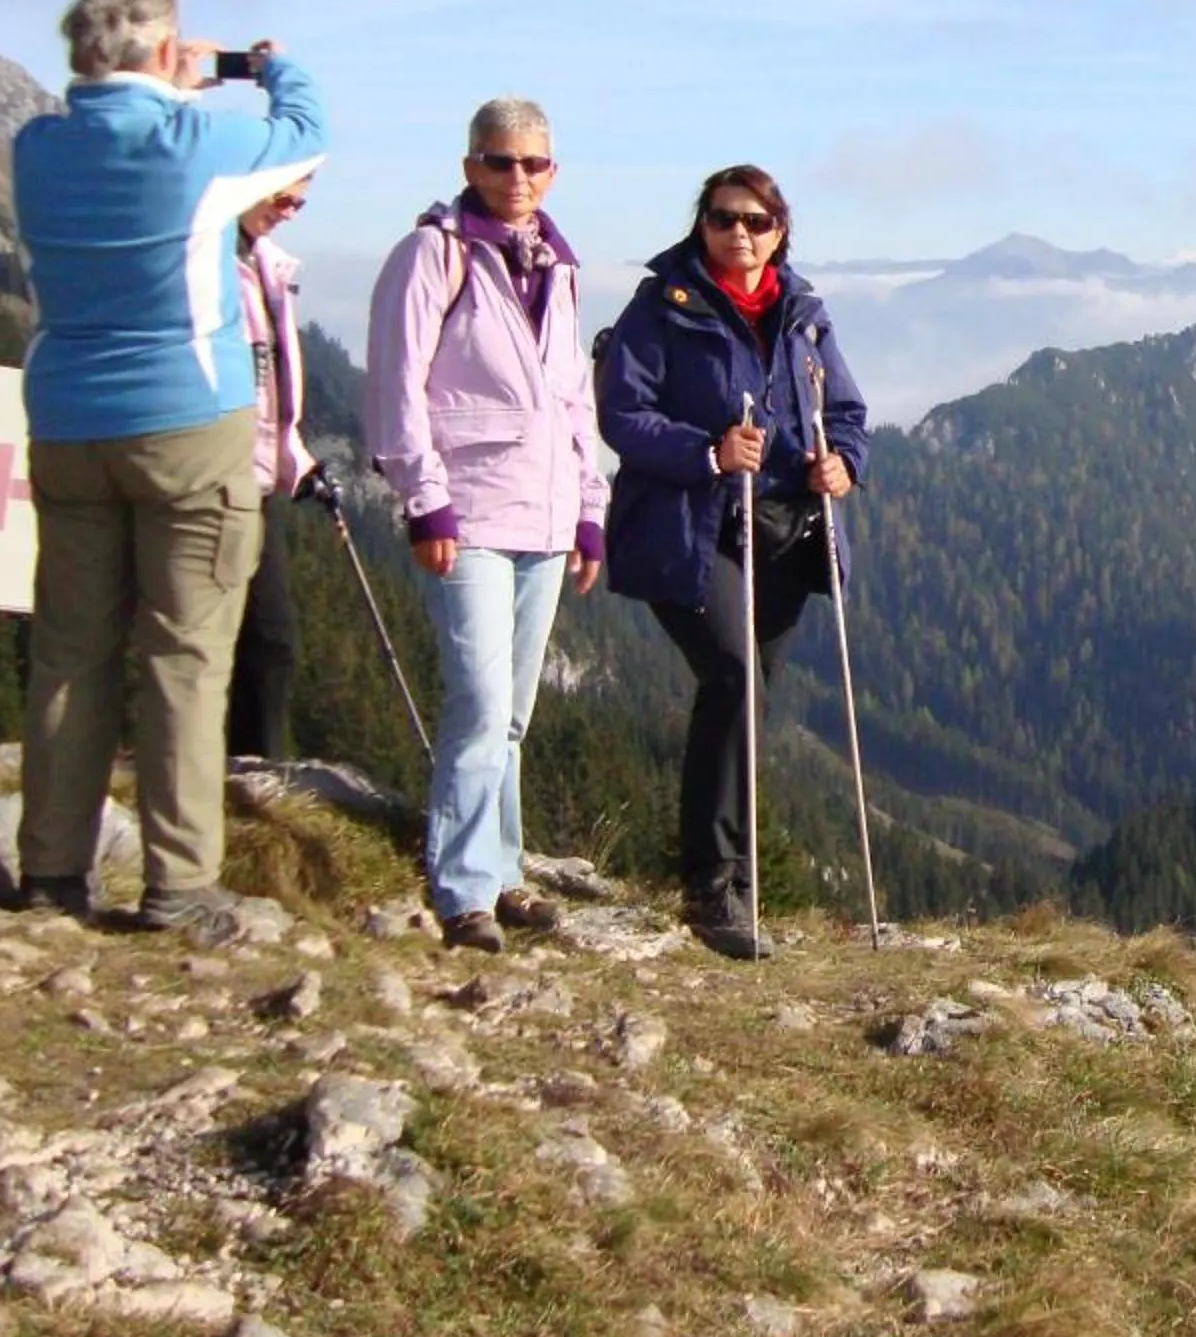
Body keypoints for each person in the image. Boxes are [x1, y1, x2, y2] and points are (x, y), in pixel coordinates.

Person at [11, 0, 325, 935]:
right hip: (189, 420)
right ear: (159, 51)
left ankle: (53, 874)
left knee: (70, 650)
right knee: (184, 655)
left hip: (68, 420)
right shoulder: (198, 143)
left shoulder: (39, 147)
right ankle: (179, 883)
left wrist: (170, 75)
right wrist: (266, 67)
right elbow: (304, 130)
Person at [597, 164, 867, 961]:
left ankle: (736, 882)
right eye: (722, 219)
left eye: (754, 221)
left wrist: (843, 462)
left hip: (784, 528)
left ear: (779, 229)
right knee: (733, 678)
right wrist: (707, 452)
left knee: (753, 694)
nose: (738, 233)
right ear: (701, 226)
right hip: (691, 526)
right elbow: (621, 413)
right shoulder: (661, 307)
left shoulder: (803, 314)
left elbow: (845, 412)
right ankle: (713, 883)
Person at [364, 98, 609, 954]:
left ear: (553, 171)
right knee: (477, 704)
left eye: (534, 164)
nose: (518, 179)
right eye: (501, 163)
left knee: (514, 714)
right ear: (470, 166)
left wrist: (589, 508)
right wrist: (424, 498)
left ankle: (502, 872)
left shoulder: (560, 268)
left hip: (543, 517)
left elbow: (574, 397)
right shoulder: (433, 254)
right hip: (465, 514)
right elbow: (396, 386)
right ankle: (463, 887)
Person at [225, 176, 317, 763]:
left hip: (257, 477)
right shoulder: (210, 261)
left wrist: (297, 460)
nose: (289, 212)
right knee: (234, 638)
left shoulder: (265, 267)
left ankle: (257, 776)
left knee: (270, 638)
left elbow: (269, 386)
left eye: (300, 203)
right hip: (212, 470)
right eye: (282, 198)